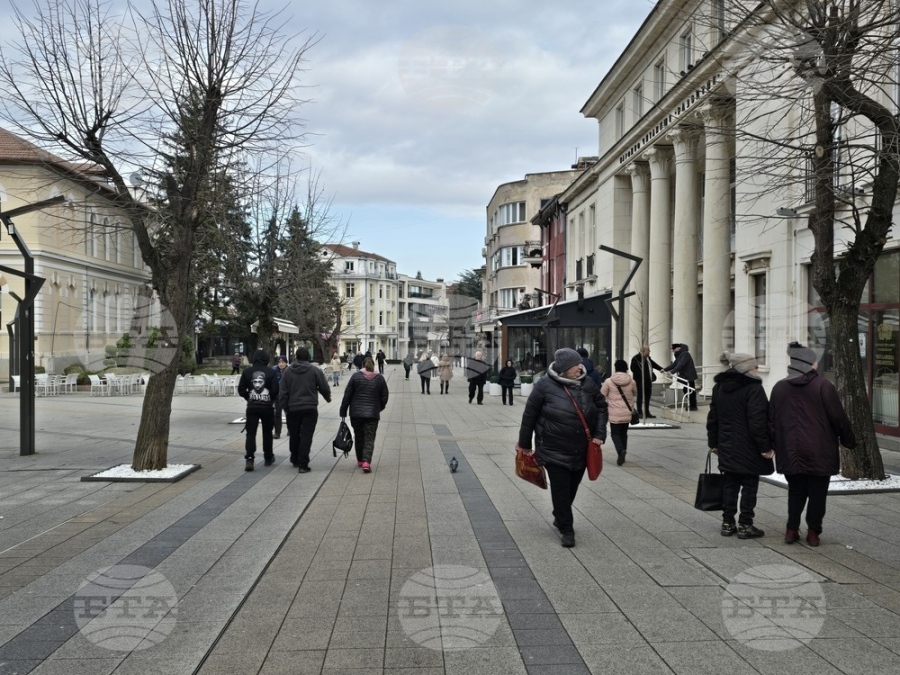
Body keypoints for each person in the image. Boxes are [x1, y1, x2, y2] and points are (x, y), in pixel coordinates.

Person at [518, 348, 608, 548]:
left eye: (579, 364)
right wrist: (524, 445)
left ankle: (560, 514)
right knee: (560, 489)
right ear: (564, 368)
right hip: (553, 449)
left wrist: (599, 434)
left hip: (581, 449)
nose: (579, 367)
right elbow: (529, 416)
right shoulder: (544, 386)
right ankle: (567, 529)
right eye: (575, 365)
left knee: (571, 488)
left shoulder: (588, 383)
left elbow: (602, 406)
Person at [769, 342, 856, 547]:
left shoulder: (779, 387)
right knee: (818, 493)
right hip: (820, 449)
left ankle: (791, 530)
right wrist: (848, 440)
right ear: (809, 363)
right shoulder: (823, 386)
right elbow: (838, 417)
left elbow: (771, 421)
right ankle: (813, 532)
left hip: (790, 449)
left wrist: (774, 444)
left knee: (796, 490)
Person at [707, 352, 774, 539]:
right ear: (745, 369)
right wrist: (765, 447)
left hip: (727, 445)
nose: (757, 369)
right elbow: (758, 422)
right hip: (749, 447)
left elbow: (713, 417)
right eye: (754, 366)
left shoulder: (719, 387)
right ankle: (745, 524)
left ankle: (727, 523)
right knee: (749, 485)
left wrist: (713, 442)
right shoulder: (754, 389)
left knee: (730, 484)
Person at [278, 347, 332, 473]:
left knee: (294, 434)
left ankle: (295, 458)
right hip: (310, 407)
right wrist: (327, 397)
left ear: (296, 357)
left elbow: (283, 392)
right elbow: (323, 386)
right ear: (308, 357)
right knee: (307, 435)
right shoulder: (314, 370)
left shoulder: (288, 371)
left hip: (293, 408)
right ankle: (303, 464)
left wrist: (285, 407)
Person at [340, 356, 389, 473]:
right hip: (372, 414)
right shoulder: (379, 379)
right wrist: (378, 408)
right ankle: (367, 462)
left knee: (359, 436)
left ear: (363, 365)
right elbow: (385, 396)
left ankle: (360, 460)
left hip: (356, 414)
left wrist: (343, 411)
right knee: (369, 438)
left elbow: (347, 395)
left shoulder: (355, 377)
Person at [238, 349, 279, 471]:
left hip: (252, 407)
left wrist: (249, 397)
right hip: (267, 407)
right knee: (267, 432)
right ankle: (268, 456)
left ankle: (249, 458)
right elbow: (275, 390)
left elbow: (241, 389)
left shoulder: (247, 372)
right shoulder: (271, 372)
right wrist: (269, 398)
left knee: (251, 433)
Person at [601, 360, 638, 466]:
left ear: (615, 368)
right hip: (627, 411)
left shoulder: (608, 381)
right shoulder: (631, 381)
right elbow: (635, 392)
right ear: (626, 368)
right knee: (623, 433)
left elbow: (602, 395)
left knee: (615, 433)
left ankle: (620, 450)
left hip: (614, 412)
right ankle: (623, 453)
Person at [663, 343, 698, 411]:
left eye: (673, 349)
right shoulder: (680, 355)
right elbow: (674, 364)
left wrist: (671, 372)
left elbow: (680, 364)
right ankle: (692, 405)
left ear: (678, 348)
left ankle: (693, 406)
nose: (672, 351)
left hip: (689, 375)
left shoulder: (685, 354)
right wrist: (665, 369)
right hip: (686, 376)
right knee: (687, 390)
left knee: (690, 391)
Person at [630, 345, 662, 419]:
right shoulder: (636, 358)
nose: (649, 352)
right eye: (648, 350)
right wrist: (642, 376)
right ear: (643, 351)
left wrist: (661, 369)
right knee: (640, 397)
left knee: (648, 397)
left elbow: (654, 364)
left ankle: (647, 412)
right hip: (640, 382)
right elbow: (633, 369)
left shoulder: (648, 358)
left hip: (648, 382)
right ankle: (640, 412)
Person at [272, 355, 289, 439]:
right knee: (277, 414)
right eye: (279, 362)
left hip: (287, 396)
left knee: (288, 413)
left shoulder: (290, 371)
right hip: (277, 396)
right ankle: (277, 432)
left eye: (283, 362)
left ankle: (290, 429)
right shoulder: (274, 370)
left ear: (286, 363)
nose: (281, 364)